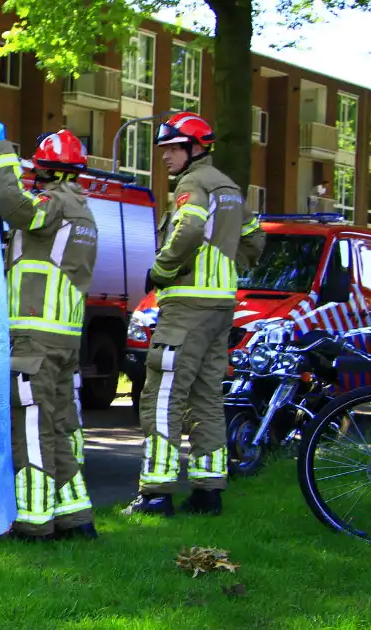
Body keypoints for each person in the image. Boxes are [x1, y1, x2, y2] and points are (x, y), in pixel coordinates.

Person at [123, 112, 265, 517]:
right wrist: (228, 266)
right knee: (206, 397)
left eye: (171, 148)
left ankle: (156, 493)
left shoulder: (193, 183)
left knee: (162, 395)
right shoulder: (231, 188)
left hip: (187, 307)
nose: (164, 157)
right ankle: (208, 492)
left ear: (194, 148)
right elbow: (255, 237)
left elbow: (186, 230)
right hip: (222, 307)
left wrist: (161, 271)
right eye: (163, 149)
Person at [0, 126, 99, 541]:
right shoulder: (83, 210)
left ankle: (34, 523)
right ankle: (76, 517)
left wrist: (1, 153)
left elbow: (13, 204)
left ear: (47, 171)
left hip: (35, 335)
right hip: (64, 336)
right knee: (56, 428)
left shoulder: (53, 204)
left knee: (30, 427)